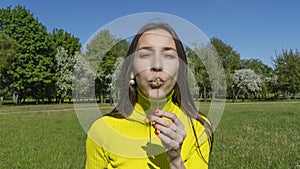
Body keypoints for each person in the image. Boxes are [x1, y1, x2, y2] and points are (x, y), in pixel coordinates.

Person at [85, 22, 213, 169]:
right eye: (145, 55)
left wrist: (175, 160)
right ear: (131, 70)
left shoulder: (199, 127)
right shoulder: (102, 130)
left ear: (179, 70)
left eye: (168, 55)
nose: (157, 65)